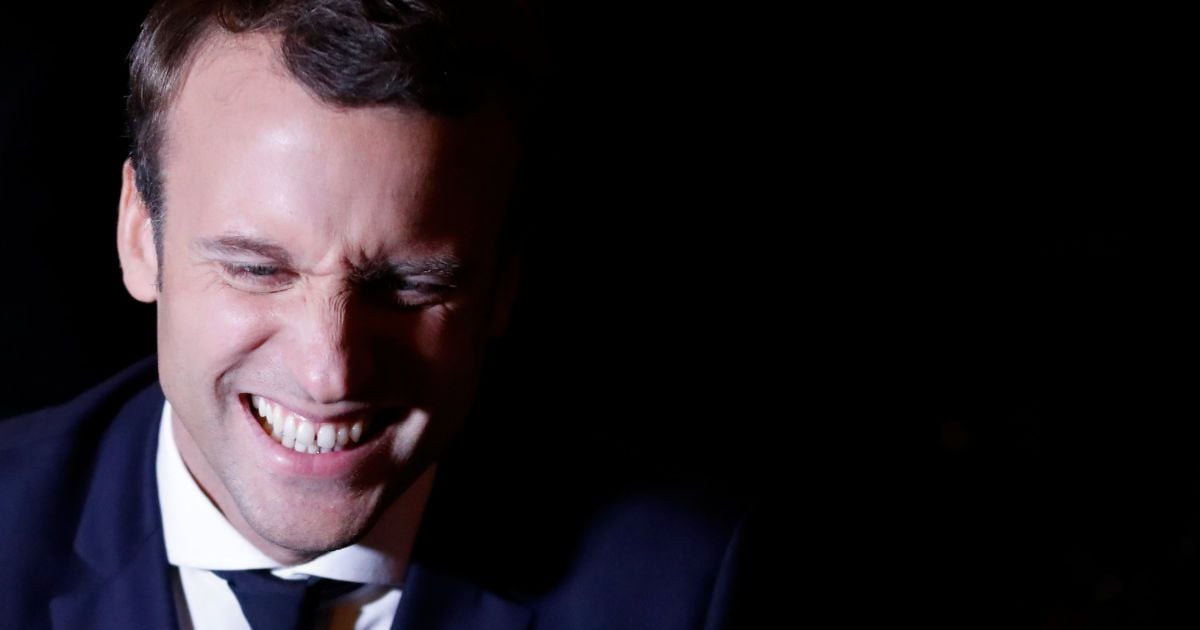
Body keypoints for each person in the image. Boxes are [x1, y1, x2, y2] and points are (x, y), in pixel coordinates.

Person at [0, 1, 751, 628]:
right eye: (258, 270)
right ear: (140, 236)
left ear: (503, 285)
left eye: (411, 286)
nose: (329, 373)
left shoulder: (685, 589)